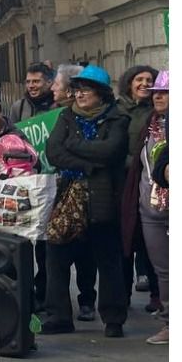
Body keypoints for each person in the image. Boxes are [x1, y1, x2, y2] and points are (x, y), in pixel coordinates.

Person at [41, 65, 130, 338]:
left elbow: (110, 150)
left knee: (108, 259)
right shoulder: (67, 116)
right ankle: (58, 316)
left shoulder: (117, 119)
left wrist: (74, 146)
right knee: (55, 256)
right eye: (77, 90)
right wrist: (87, 164)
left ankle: (113, 318)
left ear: (100, 93)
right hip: (69, 198)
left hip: (103, 200)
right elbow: (54, 151)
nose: (79, 95)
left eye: (86, 90)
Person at [121, 70, 168, 344]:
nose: (157, 97)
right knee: (163, 270)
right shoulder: (150, 125)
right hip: (151, 210)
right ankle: (170, 322)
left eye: (164, 92)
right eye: (155, 93)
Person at [117, 64, 161, 309]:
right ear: (129, 83)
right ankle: (122, 296)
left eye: (149, 80)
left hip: (149, 182)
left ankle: (157, 295)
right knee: (124, 241)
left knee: (150, 241)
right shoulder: (117, 110)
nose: (144, 84)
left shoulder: (158, 112)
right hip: (123, 183)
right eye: (139, 79)